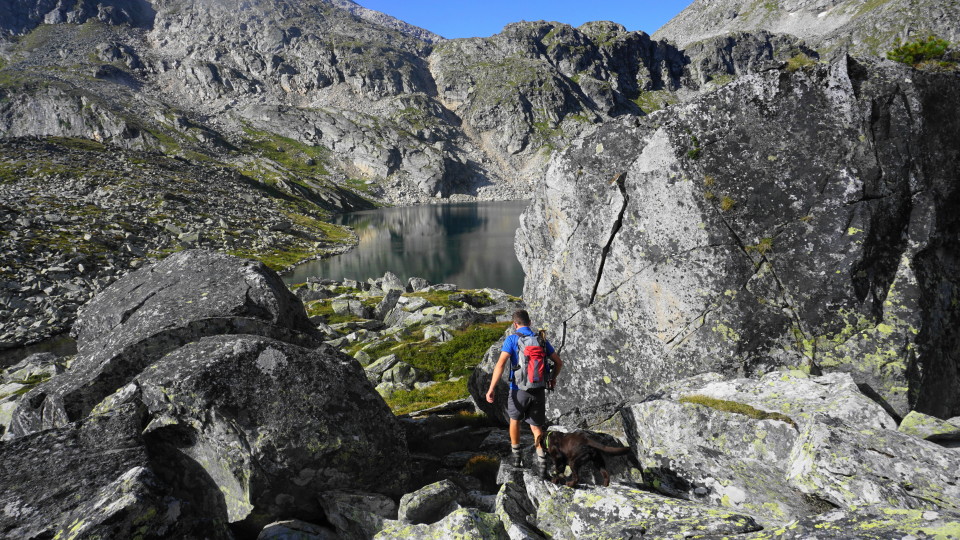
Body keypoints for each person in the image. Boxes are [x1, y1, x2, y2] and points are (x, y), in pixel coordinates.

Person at [485, 309, 563, 470]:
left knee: (514, 421)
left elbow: (500, 364)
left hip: (518, 389)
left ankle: (516, 457)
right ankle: (542, 462)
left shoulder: (512, 339)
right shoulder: (541, 340)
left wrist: (491, 388)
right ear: (530, 322)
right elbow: (558, 362)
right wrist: (552, 378)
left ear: (515, 324)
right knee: (536, 427)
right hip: (539, 389)